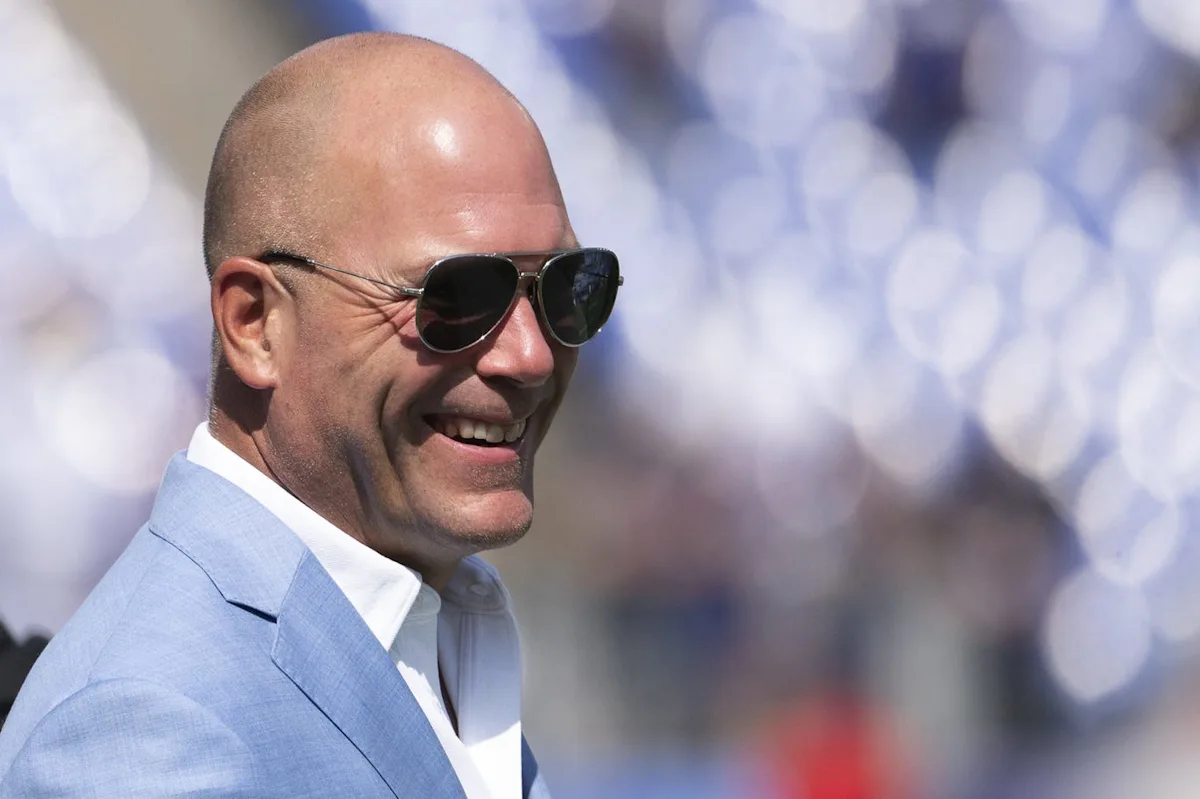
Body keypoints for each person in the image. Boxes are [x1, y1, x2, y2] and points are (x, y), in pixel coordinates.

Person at [0, 32, 621, 798]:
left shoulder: (428, 632)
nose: (529, 355)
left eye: (569, 286)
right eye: (457, 296)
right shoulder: (148, 729)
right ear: (254, 324)